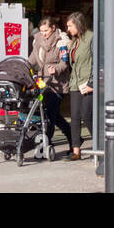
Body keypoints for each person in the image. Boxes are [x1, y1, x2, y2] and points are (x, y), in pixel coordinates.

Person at [28, 15, 71, 153]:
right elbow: (33, 59)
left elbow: (65, 63)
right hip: (43, 83)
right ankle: (72, 136)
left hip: (58, 83)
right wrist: (24, 67)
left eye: (46, 30)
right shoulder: (38, 40)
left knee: (50, 115)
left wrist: (56, 68)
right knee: (52, 114)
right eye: (41, 31)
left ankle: (47, 142)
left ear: (53, 28)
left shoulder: (61, 41)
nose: (43, 33)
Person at [65, 12, 93, 160]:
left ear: (78, 24)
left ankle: (100, 144)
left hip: (87, 82)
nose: (68, 29)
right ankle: (76, 151)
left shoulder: (91, 38)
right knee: (75, 117)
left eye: (70, 26)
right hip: (75, 83)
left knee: (87, 115)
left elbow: (97, 61)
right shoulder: (74, 41)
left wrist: (92, 83)